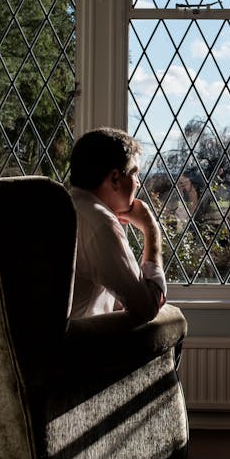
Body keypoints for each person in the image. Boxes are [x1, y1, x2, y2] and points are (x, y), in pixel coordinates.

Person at [68, 127, 166, 321]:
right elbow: (147, 306)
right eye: (135, 174)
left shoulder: (65, 207)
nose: (138, 183)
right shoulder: (101, 223)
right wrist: (151, 229)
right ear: (115, 179)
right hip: (80, 345)